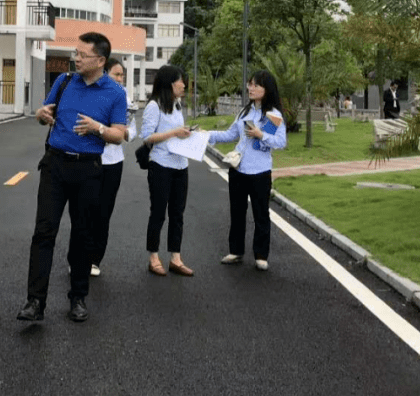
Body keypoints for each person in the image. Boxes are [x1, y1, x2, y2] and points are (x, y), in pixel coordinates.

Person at [17, 32, 128, 324]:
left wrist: (97, 128)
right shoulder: (64, 81)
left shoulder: (115, 93)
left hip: (89, 169)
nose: (76, 58)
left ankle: (77, 298)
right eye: (75, 53)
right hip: (54, 165)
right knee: (44, 232)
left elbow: (120, 134)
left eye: (83, 55)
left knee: (83, 235)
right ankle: (35, 301)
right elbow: (45, 114)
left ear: (100, 60)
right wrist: (41, 114)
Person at [141, 65, 226, 277]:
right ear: (171, 82)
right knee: (158, 213)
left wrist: (186, 133)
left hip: (181, 165)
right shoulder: (154, 106)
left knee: (177, 214)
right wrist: (174, 133)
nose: (184, 84)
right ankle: (153, 257)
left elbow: (176, 133)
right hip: (160, 165)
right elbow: (147, 137)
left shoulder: (177, 105)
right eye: (181, 81)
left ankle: (175, 258)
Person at [214, 69, 288, 272]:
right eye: (250, 84)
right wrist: (206, 136)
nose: (251, 88)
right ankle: (236, 251)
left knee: (261, 214)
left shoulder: (273, 115)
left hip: (260, 172)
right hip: (238, 170)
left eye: (256, 85)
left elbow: (281, 142)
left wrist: (261, 134)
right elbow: (230, 134)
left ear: (267, 89)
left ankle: (261, 255)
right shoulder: (244, 111)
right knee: (237, 212)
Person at [89, 56, 136, 277]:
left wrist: (122, 132)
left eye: (122, 76)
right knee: (85, 211)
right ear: (104, 73)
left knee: (104, 212)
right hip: (90, 158)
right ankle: (78, 256)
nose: (120, 79)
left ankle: (95, 259)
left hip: (113, 162)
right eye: (117, 74)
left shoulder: (125, 98)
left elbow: (133, 130)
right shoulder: (92, 93)